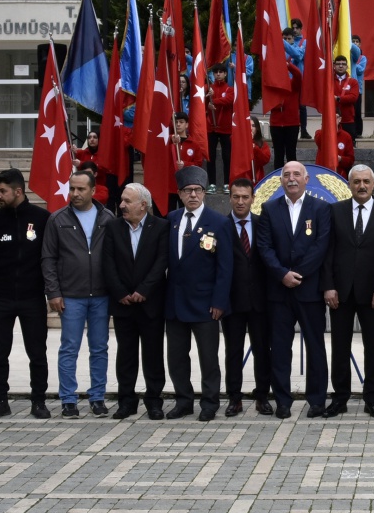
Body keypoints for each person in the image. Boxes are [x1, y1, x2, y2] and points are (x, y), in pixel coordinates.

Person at [255, 161, 334, 419]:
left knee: (315, 347)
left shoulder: (321, 208)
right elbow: (264, 246)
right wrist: (282, 274)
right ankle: (283, 401)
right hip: (278, 293)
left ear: (306, 179)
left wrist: (298, 274)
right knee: (279, 349)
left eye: (296, 174)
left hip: (309, 291)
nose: (291, 178)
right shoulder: (269, 209)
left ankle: (317, 401)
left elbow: (321, 246)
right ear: (281, 181)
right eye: (286, 174)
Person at [320, 164, 374, 416]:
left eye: (366, 181)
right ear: (349, 184)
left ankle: (372, 399)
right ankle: (339, 399)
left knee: (373, 348)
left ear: (373, 185)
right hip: (340, 294)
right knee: (340, 348)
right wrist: (328, 286)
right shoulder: (335, 211)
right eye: (356, 182)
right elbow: (327, 252)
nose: (361, 186)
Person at [0, 168, 51, 419]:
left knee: (37, 353)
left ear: (18, 191)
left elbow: (50, 254)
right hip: (2, 296)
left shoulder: (41, 218)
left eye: (2, 191)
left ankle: (39, 401)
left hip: (32, 297)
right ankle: (0, 401)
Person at [43, 167, 116, 418]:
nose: (75, 193)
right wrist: (53, 292)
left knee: (99, 348)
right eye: (72, 188)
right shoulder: (57, 219)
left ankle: (97, 397)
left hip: (101, 295)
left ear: (93, 190)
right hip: (70, 295)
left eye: (81, 189)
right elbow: (48, 258)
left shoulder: (107, 218)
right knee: (69, 348)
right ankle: (68, 399)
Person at [163, 166, 230, 420]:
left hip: (206, 304)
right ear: (180, 193)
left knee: (208, 358)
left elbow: (225, 268)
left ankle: (210, 403)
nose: (193, 195)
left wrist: (219, 301)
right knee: (177, 357)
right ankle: (183, 401)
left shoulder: (219, 222)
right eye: (188, 190)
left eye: (198, 190)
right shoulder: (171, 220)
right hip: (175, 303)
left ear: (204, 193)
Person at [103, 181, 169, 421]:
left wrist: (144, 290)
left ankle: (154, 402)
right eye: (122, 200)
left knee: (153, 355)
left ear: (143, 205)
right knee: (126, 356)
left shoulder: (160, 226)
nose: (121, 205)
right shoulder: (113, 227)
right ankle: (126, 402)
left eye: (127, 201)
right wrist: (120, 292)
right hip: (123, 305)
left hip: (150, 304)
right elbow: (108, 263)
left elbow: (161, 261)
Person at [219, 177, 271, 416]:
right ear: (230, 198)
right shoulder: (220, 226)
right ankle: (234, 398)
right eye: (236, 197)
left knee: (262, 351)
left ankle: (262, 397)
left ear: (253, 199)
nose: (240, 202)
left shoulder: (263, 224)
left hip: (260, 302)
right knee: (233, 352)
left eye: (245, 197)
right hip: (232, 302)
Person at [269, 58, 303, 166]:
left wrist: (288, 65)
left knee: (291, 154)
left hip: (291, 124)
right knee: (278, 154)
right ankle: (277, 176)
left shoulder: (293, 84)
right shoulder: (272, 86)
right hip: (276, 124)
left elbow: (298, 75)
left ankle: (293, 174)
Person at [208, 64, 233, 192]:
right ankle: (212, 183)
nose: (218, 74)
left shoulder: (229, 89)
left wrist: (213, 101)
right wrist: (208, 101)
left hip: (225, 128)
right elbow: (201, 102)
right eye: (216, 72)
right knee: (210, 157)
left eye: (220, 72)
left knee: (227, 156)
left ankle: (227, 183)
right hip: (211, 128)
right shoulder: (209, 88)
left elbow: (228, 100)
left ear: (225, 74)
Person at [333, 55, 360, 142]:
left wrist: (338, 98)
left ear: (347, 66)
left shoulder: (353, 82)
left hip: (348, 120)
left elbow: (353, 97)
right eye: (338, 64)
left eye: (343, 64)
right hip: (332, 120)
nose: (341, 66)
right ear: (334, 66)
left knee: (349, 145)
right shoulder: (328, 81)